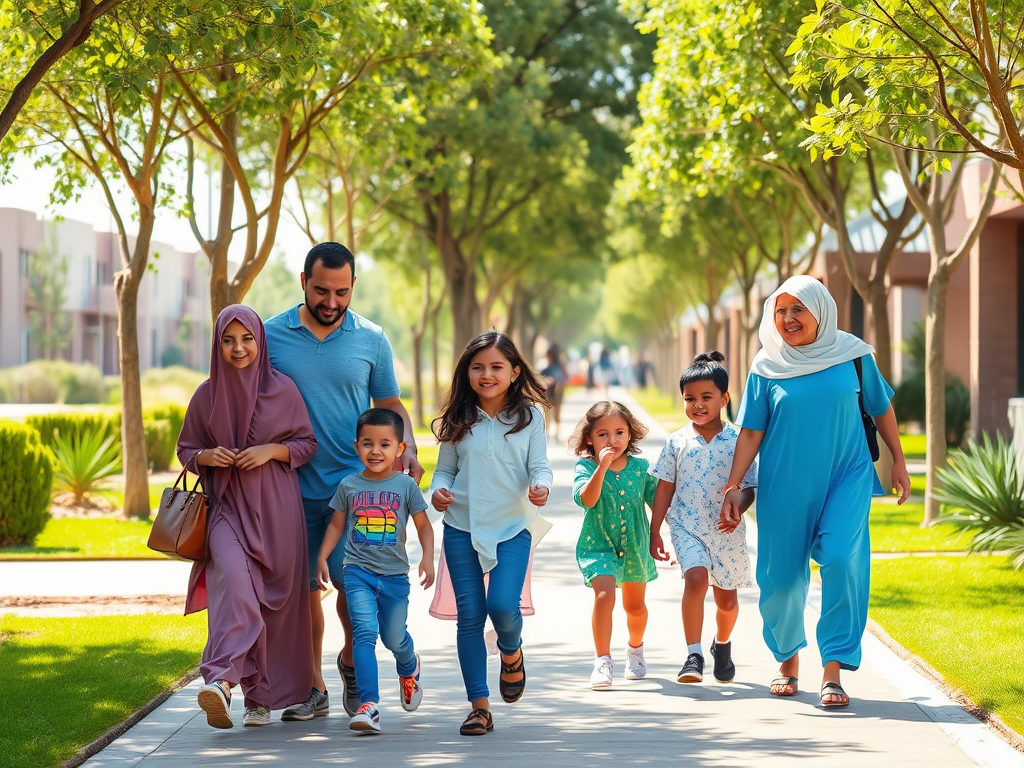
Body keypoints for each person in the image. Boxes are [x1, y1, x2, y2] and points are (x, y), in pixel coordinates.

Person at [720, 276, 911, 709]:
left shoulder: (854, 356)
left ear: (820, 310)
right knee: (782, 580)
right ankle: (787, 660)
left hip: (847, 475)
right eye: (781, 310)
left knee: (843, 559)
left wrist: (898, 460)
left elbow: (881, 409)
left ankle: (833, 669)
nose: (788, 318)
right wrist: (734, 484)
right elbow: (751, 431)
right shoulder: (766, 366)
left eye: (798, 309)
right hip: (784, 482)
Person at [265, 242, 424, 721]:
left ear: (353, 286)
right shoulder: (271, 335)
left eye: (341, 291)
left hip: (354, 493)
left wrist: (408, 447)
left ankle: (352, 664)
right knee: (303, 595)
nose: (331, 302)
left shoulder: (372, 338)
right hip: (288, 488)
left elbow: (391, 405)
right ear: (303, 282)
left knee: (355, 587)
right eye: (320, 291)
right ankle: (313, 689)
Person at [178, 305, 317, 729]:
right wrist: (206, 455)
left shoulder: (284, 390)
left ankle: (259, 698)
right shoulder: (206, 395)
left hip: (277, 511)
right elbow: (187, 449)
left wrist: (270, 451)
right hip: (226, 508)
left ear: (261, 340)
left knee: (272, 606)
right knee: (235, 587)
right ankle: (220, 681)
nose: (238, 349)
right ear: (217, 344)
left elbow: (306, 444)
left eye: (246, 339)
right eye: (227, 340)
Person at [428, 331, 553, 736]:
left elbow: (541, 465)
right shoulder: (457, 419)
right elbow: (444, 469)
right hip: (461, 525)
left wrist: (542, 485)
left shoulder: (530, 417)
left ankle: (511, 650)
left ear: (515, 372)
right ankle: (479, 706)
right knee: (470, 617)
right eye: (477, 366)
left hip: (513, 525)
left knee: (502, 606)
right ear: (467, 371)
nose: (486, 374)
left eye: (497, 366)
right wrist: (437, 491)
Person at [316, 409, 435, 734]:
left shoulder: (406, 486)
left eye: (385, 444)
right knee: (364, 635)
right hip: (358, 573)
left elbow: (424, 526)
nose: (375, 451)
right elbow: (337, 525)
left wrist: (428, 557)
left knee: (394, 638)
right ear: (357, 447)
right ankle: (369, 706)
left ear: (399, 449)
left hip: (395, 576)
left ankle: (409, 668)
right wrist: (323, 557)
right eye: (368, 444)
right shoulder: (349, 485)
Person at [649, 352, 757, 685]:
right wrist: (655, 531)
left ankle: (720, 644)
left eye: (706, 397)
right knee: (695, 579)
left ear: (724, 398)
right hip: (686, 526)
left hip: (726, 530)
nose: (697, 404)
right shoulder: (676, 441)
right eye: (689, 398)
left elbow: (750, 486)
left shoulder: (740, 440)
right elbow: (664, 489)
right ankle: (693, 655)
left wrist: (739, 507)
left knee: (727, 602)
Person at [570, 401, 658, 690]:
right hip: (598, 545)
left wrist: (660, 536)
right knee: (604, 597)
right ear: (589, 439)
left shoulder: (640, 467)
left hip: (635, 545)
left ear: (630, 434)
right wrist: (603, 466)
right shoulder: (585, 467)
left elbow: (658, 504)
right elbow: (588, 499)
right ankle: (602, 660)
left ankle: (635, 649)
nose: (613, 441)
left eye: (619, 432)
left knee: (635, 608)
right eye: (603, 435)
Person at [539, 343, 568, 438]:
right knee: (547, 412)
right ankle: (547, 432)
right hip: (547, 392)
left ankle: (556, 432)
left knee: (556, 413)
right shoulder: (545, 365)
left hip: (557, 392)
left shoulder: (558, 366)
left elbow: (563, 379)